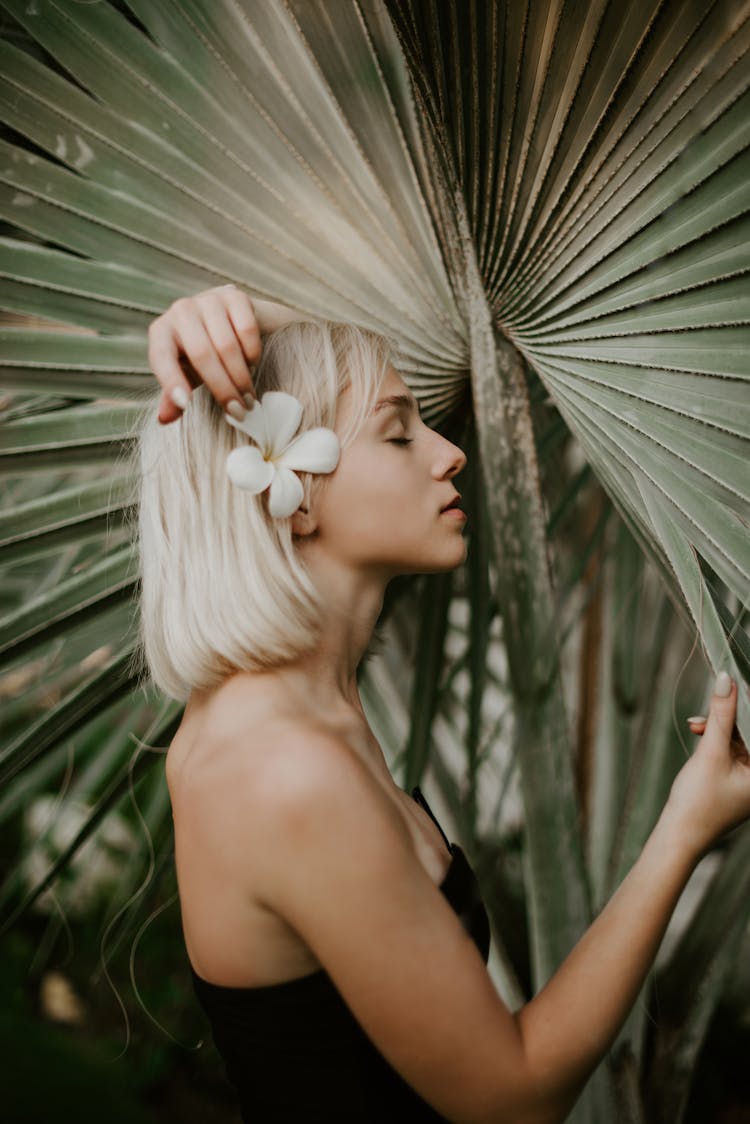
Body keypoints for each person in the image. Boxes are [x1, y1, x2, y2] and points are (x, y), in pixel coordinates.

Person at [139, 284, 750, 1124]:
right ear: (295, 491)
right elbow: (516, 1094)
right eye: (399, 433)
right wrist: (685, 826)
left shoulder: (298, 712)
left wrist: (234, 309)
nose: (449, 451)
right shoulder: (285, 768)